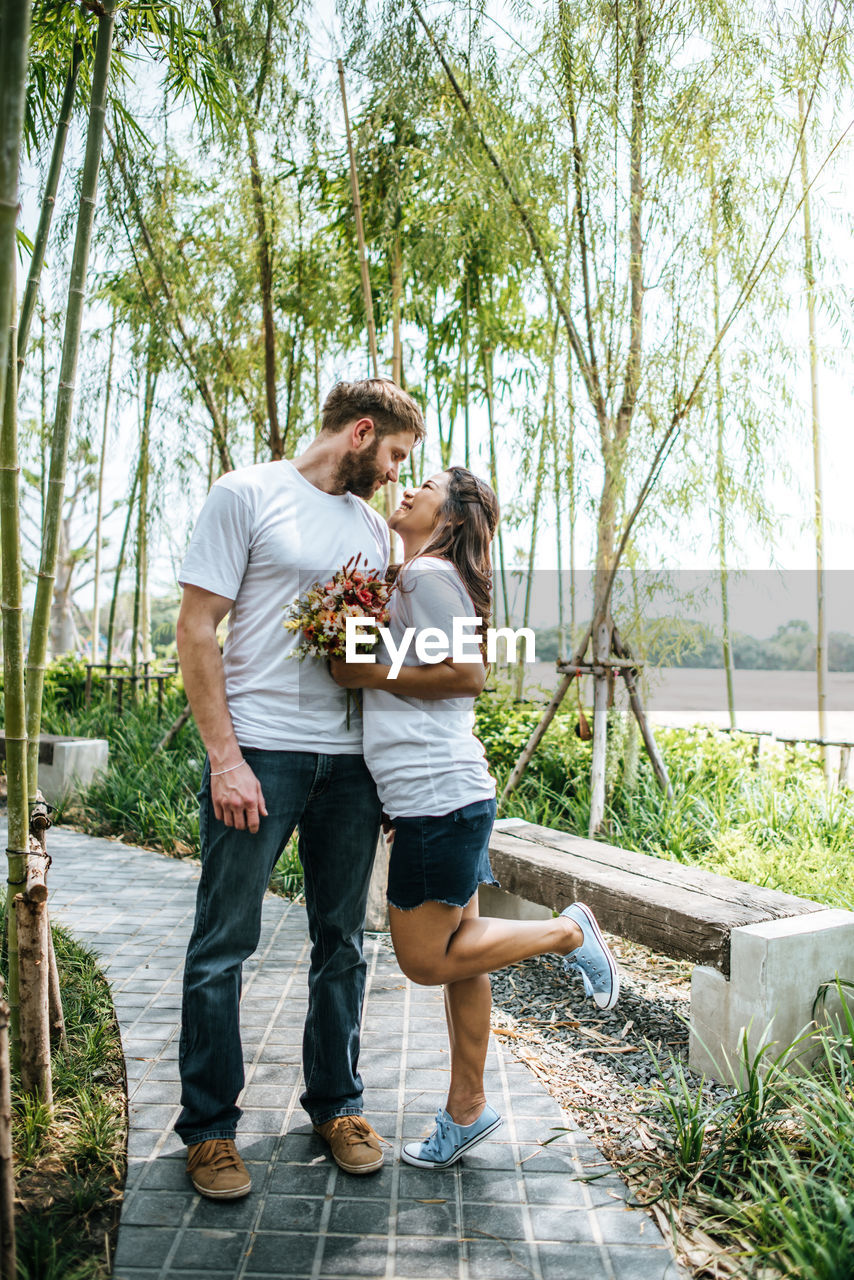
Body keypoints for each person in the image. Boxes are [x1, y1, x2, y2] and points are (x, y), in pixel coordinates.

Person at [174, 378, 425, 1199]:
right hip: (263, 756)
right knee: (223, 946)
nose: (394, 477)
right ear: (360, 432)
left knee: (344, 943)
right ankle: (210, 1131)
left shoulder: (372, 532)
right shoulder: (247, 494)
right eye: (393, 456)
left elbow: (379, 662)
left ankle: (337, 1104)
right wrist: (225, 758)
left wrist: (387, 774)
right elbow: (197, 627)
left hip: (349, 768)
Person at [330, 467, 619, 1170]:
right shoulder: (423, 575)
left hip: (438, 796)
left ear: (452, 516)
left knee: (426, 958)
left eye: (422, 485)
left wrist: (366, 668)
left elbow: (466, 674)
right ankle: (466, 1111)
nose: (404, 490)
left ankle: (565, 932)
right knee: (462, 955)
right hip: (439, 796)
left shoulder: (427, 574)